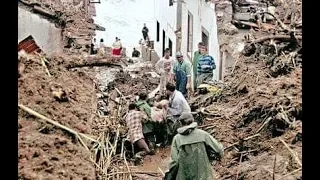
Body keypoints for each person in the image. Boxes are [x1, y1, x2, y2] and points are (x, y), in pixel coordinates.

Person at [164, 112, 224, 180]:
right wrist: (212, 159)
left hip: (184, 176)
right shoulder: (203, 134)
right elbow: (218, 149)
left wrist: (170, 175)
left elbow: (174, 161)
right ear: (193, 120)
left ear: (180, 123)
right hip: (204, 175)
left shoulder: (177, 139)